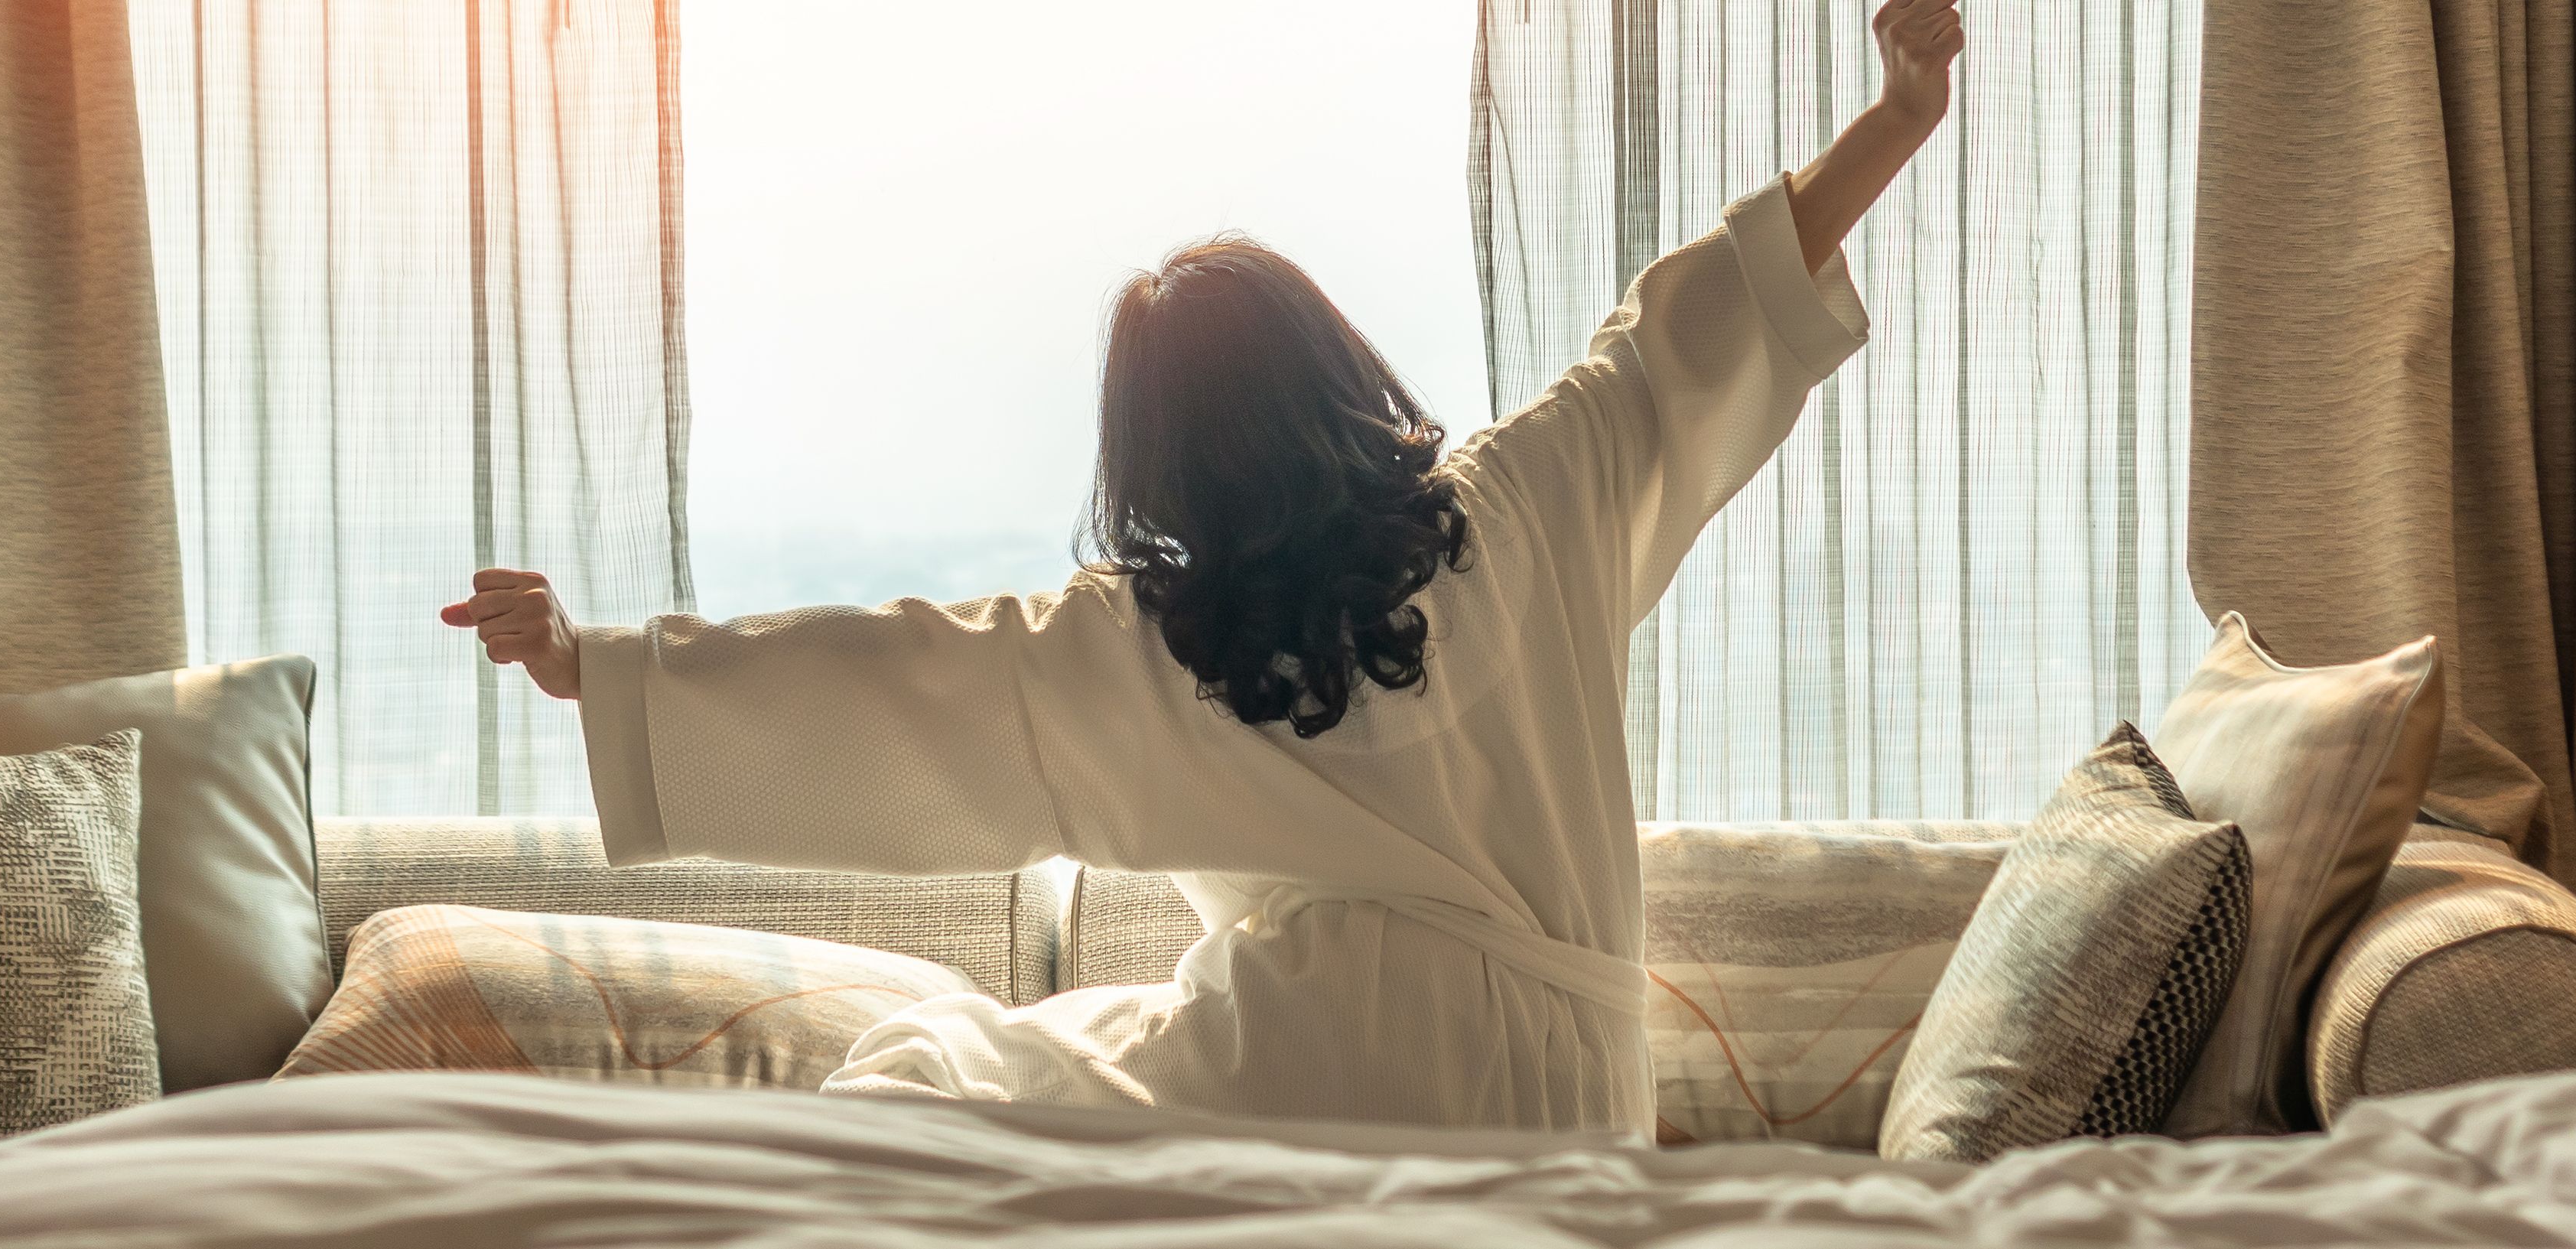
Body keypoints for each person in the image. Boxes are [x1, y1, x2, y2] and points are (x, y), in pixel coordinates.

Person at [443, 0, 1963, 1136]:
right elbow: (1697, 322)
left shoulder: (1145, 643)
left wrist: (604, 662)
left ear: (1153, 457)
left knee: (927, 1070)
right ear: (1335, 367)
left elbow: (893, 675)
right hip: (1568, 1100)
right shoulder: (1535, 497)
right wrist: (1895, 115)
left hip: (1314, 1076)